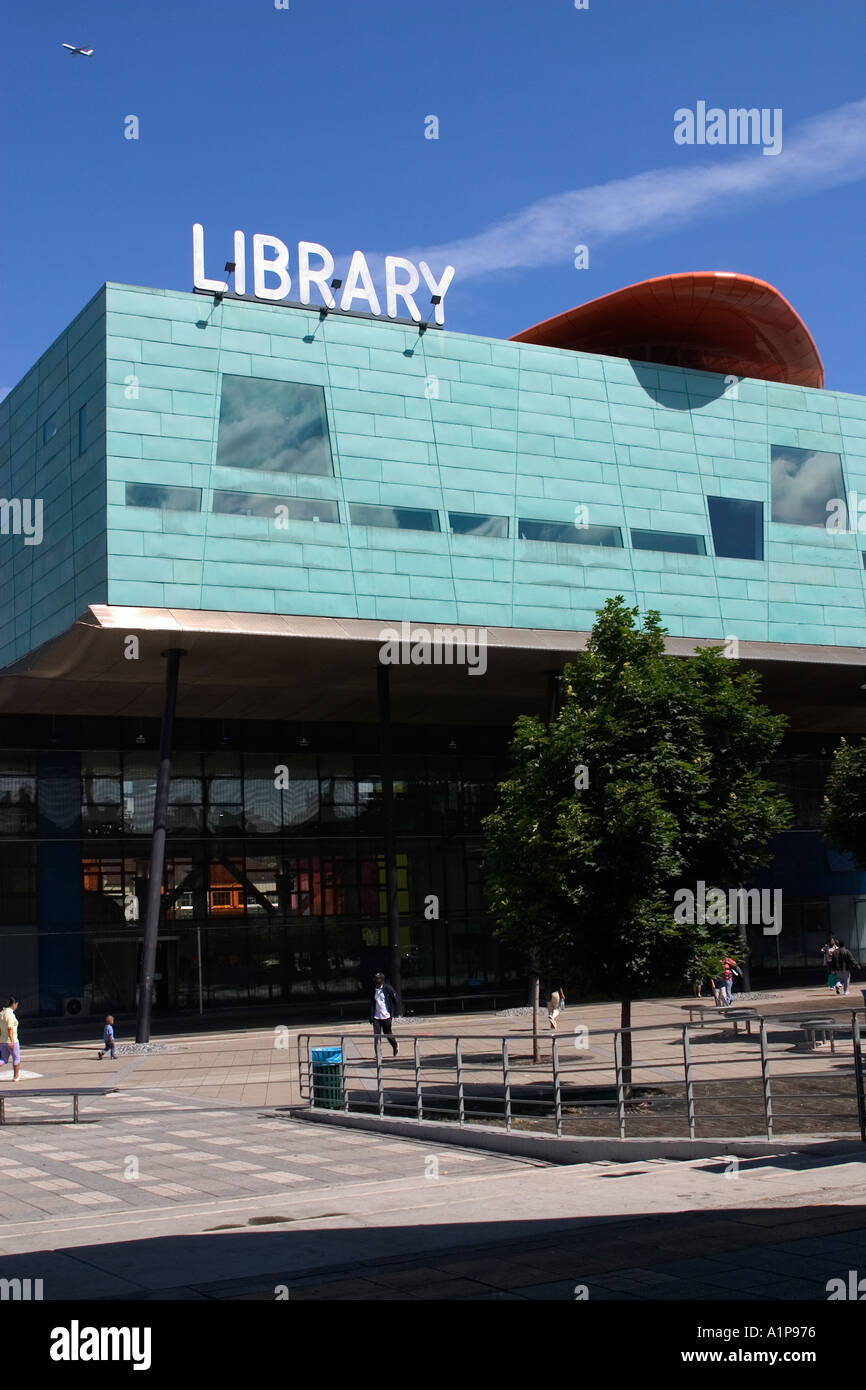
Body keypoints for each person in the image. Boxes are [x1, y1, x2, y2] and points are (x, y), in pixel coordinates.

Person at [370, 972, 399, 1056]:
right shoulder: (373, 989)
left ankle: (395, 1045)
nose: (377, 981)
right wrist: (371, 1016)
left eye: (378, 979)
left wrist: (391, 1010)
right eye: (376, 979)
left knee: (388, 1034)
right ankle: (378, 1054)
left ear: (382, 980)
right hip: (376, 1017)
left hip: (386, 1016)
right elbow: (372, 1003)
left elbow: (396, 999)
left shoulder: (387, 988)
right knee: (377, 1036)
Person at [0, 997, 21, 1082]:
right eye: (16, 1005)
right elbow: (10, 1028)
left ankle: (16, 1076)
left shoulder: (1, 1013)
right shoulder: (10, 1014)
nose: (16, 1006)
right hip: (11, 1040)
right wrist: (12, 1041)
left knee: (3, 1059)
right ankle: (16, 1076)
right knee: (16, 1058)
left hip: (2, 1040)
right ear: (14, 1004)